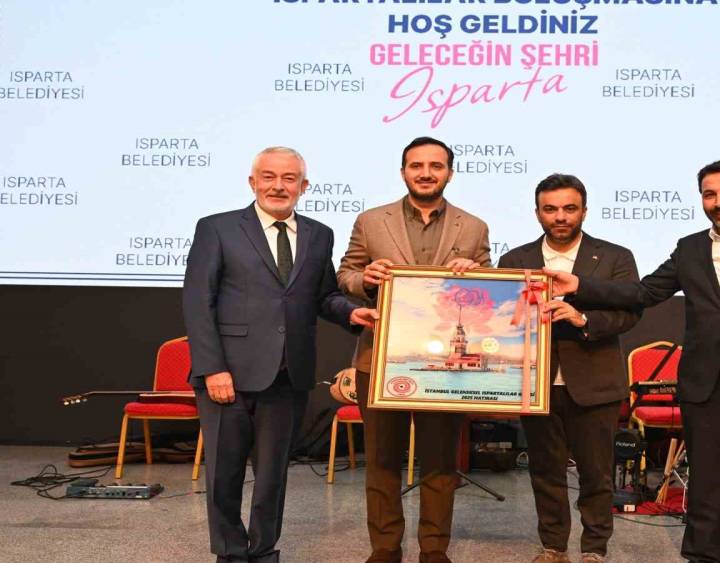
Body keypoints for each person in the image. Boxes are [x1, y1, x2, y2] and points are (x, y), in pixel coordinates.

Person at [545, 158, 720, 563]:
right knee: (703, 481)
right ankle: (701, 556)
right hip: (703, 382)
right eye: (710, 194)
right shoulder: (690, 247)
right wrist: (580, 285)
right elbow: (644, 293)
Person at [183, 146, 376, 563]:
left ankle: (264, 550)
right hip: (228, 376)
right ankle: (231, 553)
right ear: (252, 182)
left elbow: (323, 296)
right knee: (224, 475)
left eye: (289, 178)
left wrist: (352, 313)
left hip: (289, 375)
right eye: (268, 176)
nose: (278, 186)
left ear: (304, 186)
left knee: (273, 476)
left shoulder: (319, 234)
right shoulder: (217, 228)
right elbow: (198, 303)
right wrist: (212, 368)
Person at [337, 136, 491, 563]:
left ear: (449, 173)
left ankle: (434, 550)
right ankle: (385, 549)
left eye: (435, 166)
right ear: (403, 171)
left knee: (440, 463)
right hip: (380, 359)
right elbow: (345, 274)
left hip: (446, 368)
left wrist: (477, 274)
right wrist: (365, 279)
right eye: (416, 165)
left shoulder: (473, 226)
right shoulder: (371, 221)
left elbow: (490, 289)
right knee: (381, 461)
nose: (426, 173)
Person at [498, 173, 640, 563]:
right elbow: (501, 316)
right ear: (537, 213)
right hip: (535, 384)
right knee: (545, 472)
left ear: (584, 211)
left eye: (569, 208)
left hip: (595, 384)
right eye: (551, 209)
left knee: (597, 474)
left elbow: (630, 312)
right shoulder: (514, 260)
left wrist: (582, 318)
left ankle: (594, 548)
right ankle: (553, 546)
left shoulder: (615, 257)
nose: (560, 216)